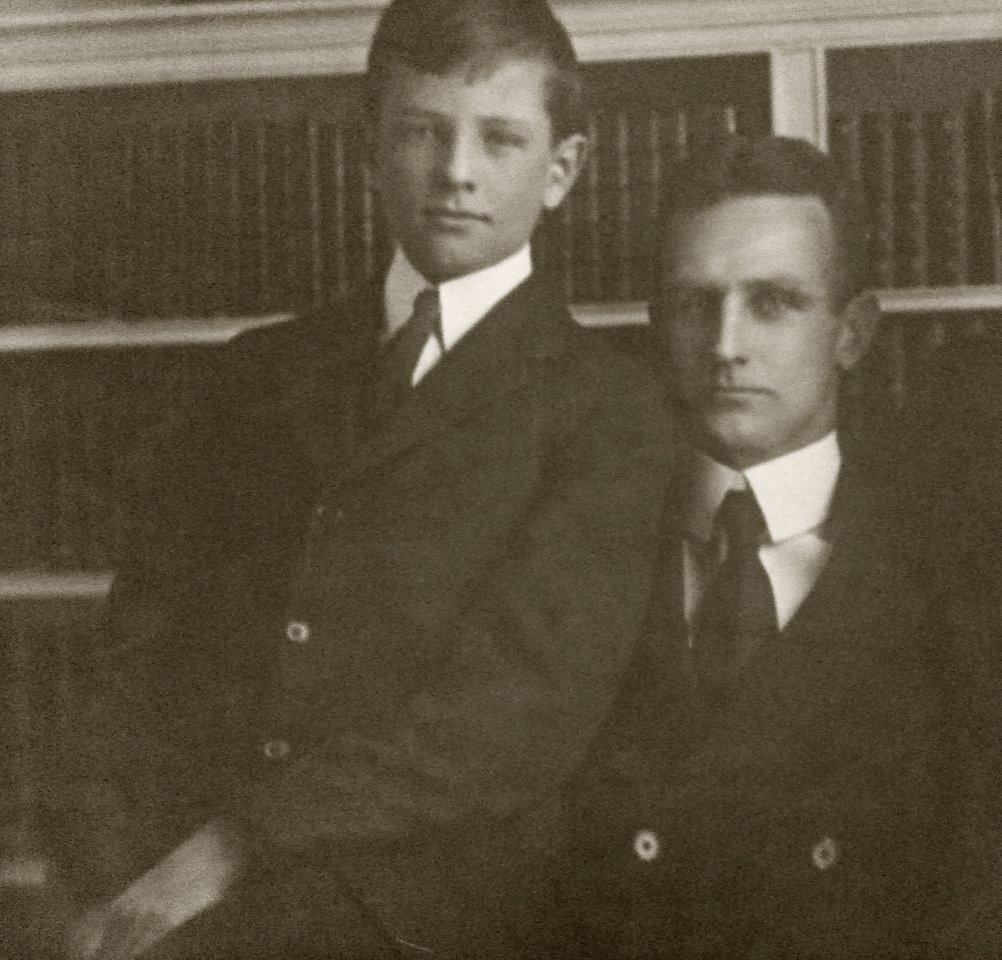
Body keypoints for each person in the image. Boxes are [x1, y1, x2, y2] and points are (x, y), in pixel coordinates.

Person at [64, 1, 675, 958]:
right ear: (369, 150)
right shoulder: (253, 375)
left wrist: (234, 847)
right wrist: (104, 879)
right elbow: (136, 656)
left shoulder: (610, 413)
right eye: (423, 131)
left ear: (562, 170)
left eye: (500, 139)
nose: (456, 172)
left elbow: (511, 718)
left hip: (426, 921)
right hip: (179, 902)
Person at [559, 134, 997, 958]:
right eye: (695, 304)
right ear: (657, 326)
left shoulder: (955, 579)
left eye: (774, 302)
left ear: (852, 332)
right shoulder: (572, 552)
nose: (726, 344)